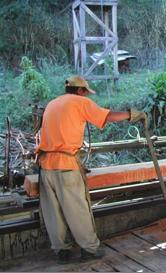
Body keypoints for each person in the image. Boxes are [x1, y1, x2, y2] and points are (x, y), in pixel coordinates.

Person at [36, 75, 146, 264]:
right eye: (86, 92)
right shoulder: (79, 102)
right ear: (80, 91)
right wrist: (131, 114)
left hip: (45, 166)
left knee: (53, 212)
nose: (87, 95)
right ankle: (90, 249)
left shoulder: (52, 104)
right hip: (66, 166)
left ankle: (61, 251)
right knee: (77, 209)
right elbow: (107, 116)